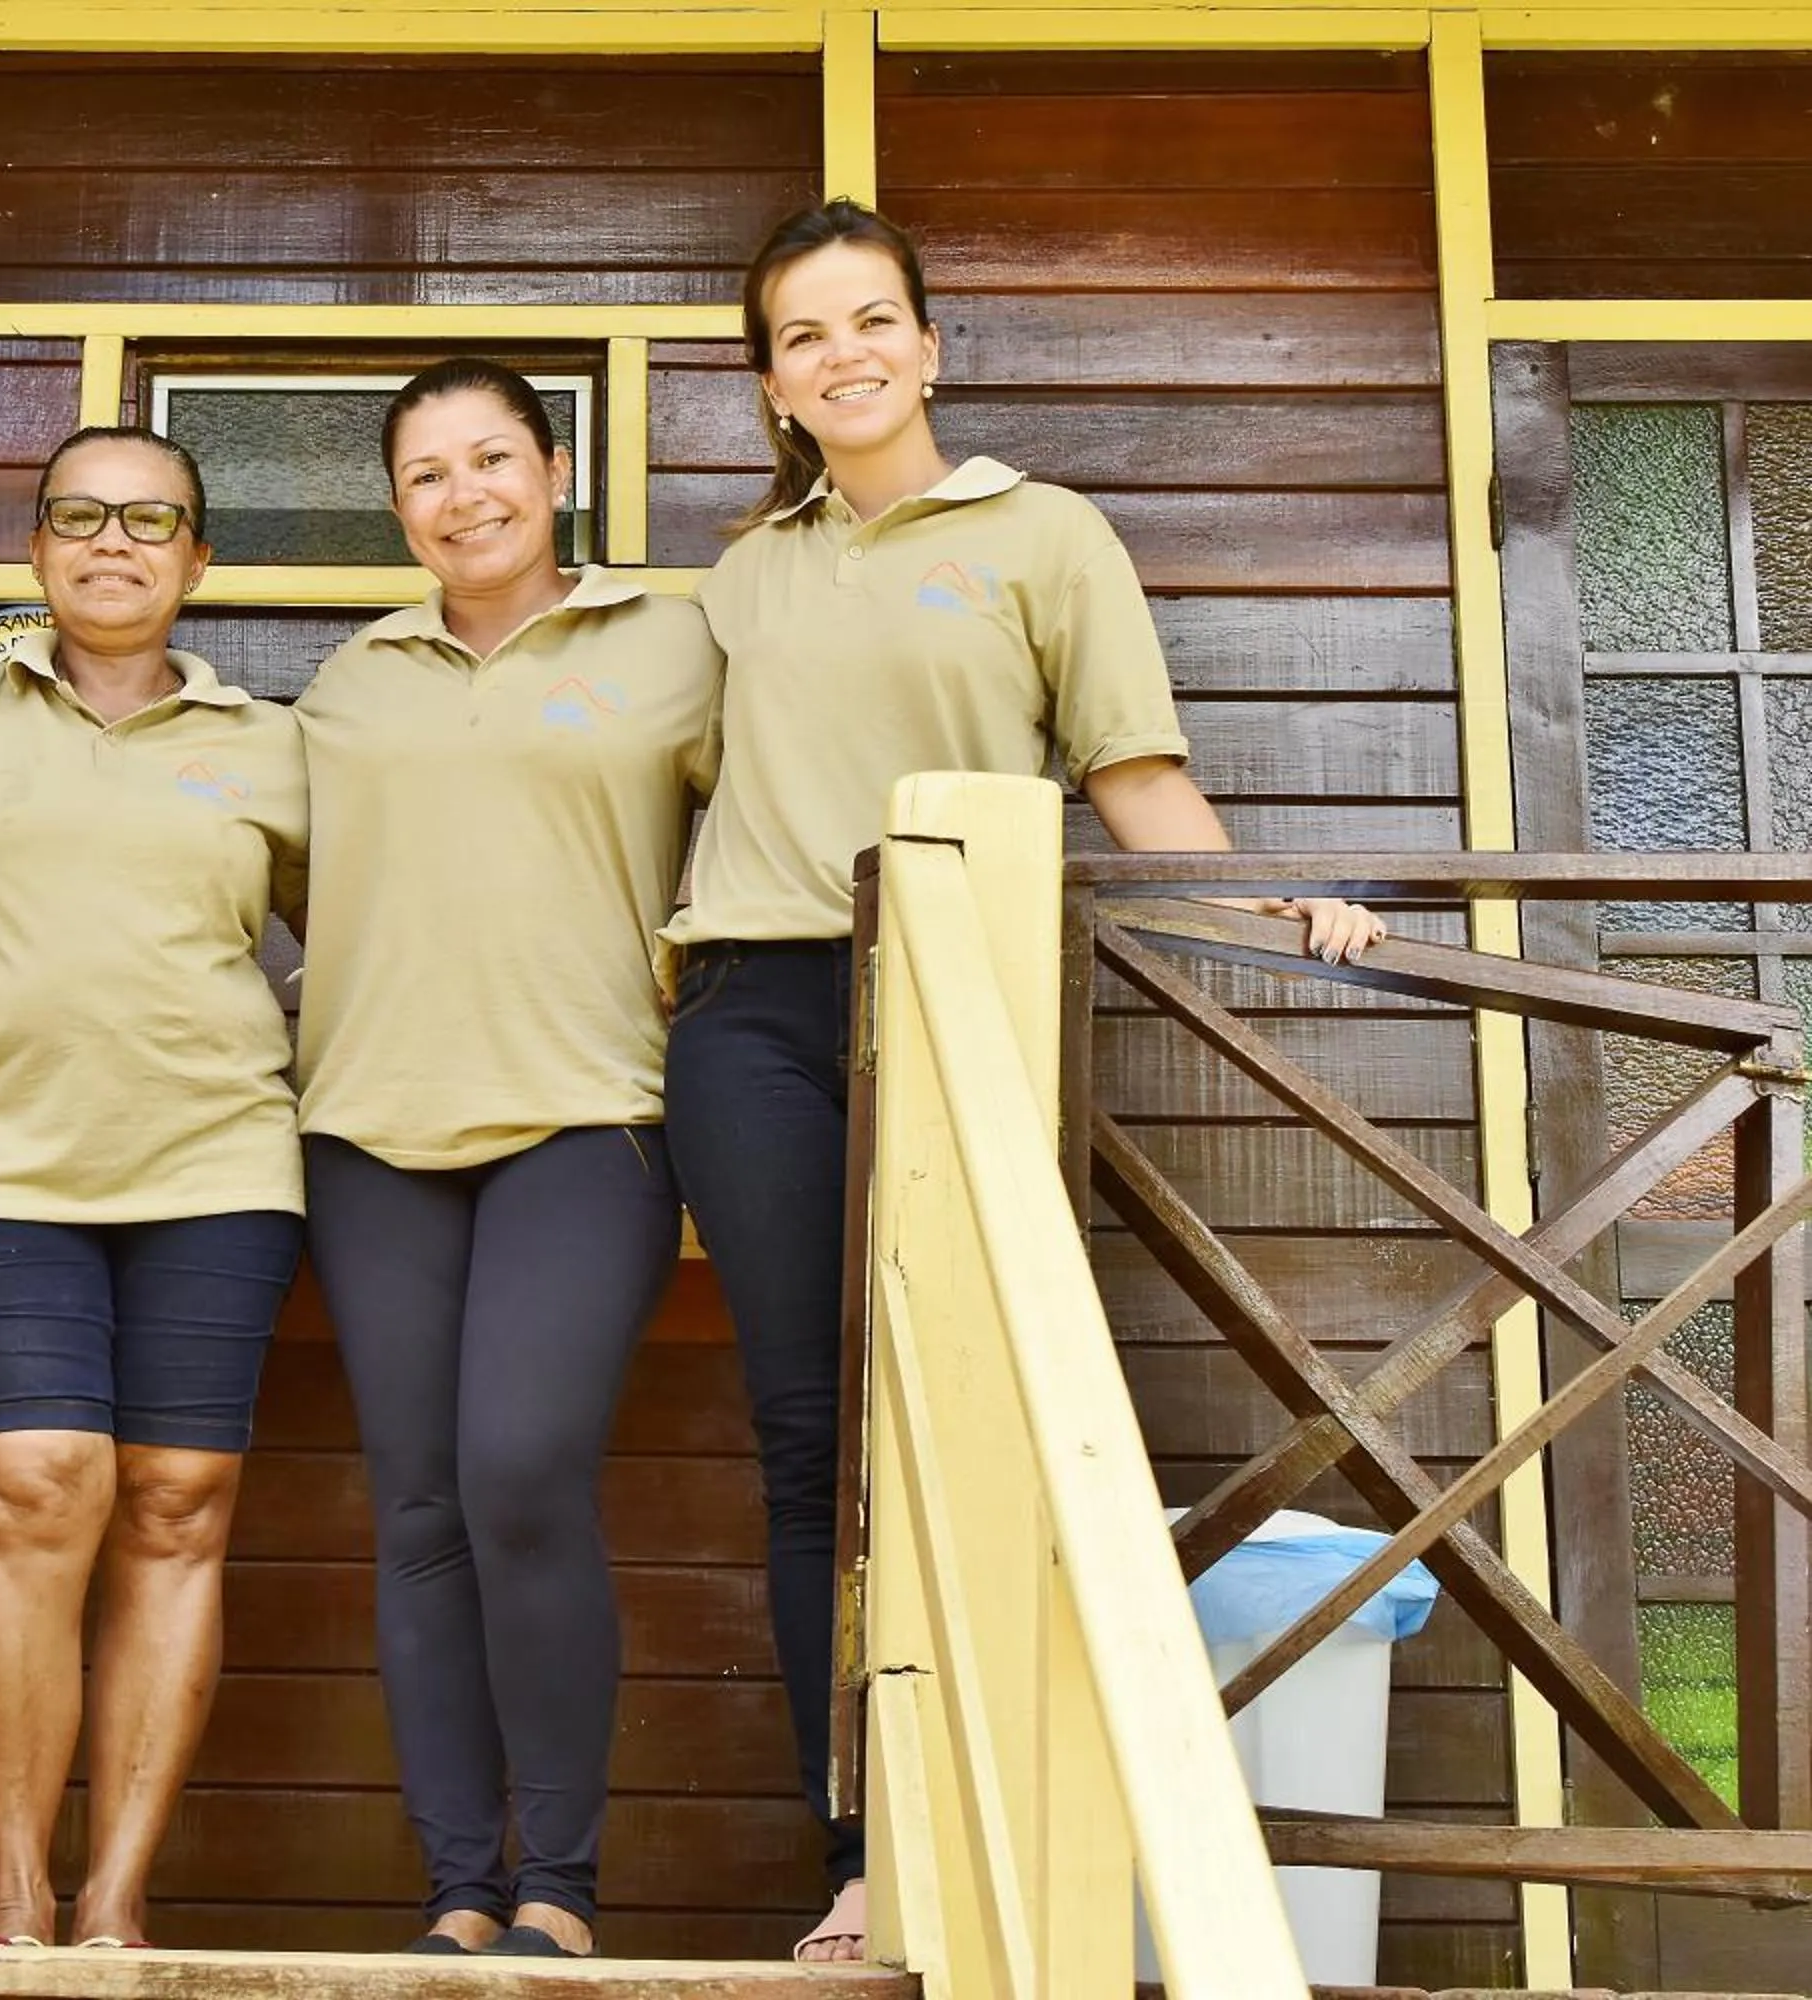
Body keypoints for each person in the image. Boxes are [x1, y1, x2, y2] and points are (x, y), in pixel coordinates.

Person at [662, 199, 1388, 1965]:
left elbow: (1131, 780)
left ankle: (1004, 1845)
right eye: (803, 337)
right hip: (757, 1012)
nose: (843, 357)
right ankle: (862, 1849)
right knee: (805, 1437)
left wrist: (1264, 906)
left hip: (967, 998)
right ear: (769, 384)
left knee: (972, 1421)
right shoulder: (743, 577)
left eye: (871, 322)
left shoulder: (1048, 536)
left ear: (930, 343)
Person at [293, 358, 723, 1960]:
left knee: (522, 1474)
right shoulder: (347, 686)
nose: (464, 494)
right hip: (365, 1129)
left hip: (587, 1113)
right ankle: (462, 1895)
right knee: (418, 1508)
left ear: (555, 470)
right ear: (396, 508)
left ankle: (563, 1890)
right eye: (426, 473)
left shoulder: (674, 646)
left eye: (493, 459)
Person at [0, 426, 310, 1951]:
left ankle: (117, 1902)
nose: (113, 541)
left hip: (218, 1164)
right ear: (38, 548)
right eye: (80, 515)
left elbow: (366, 935)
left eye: (153, 520)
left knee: (181, 1504)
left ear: (199, 561)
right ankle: (15, 1900)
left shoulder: (275, 743)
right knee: (32, 1484)